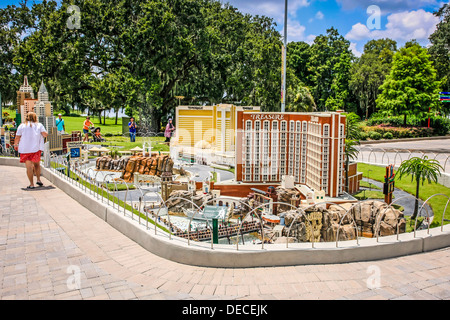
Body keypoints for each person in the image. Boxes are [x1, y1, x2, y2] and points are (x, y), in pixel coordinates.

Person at [13, 112, 48, 189]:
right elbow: (45, 134)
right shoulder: (39, 125)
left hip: (25, 150)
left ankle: (31, 184)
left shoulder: (22, 126)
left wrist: (16, 145)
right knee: (37, 165)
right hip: (36, 149)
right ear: (35, 118)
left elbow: (17, 137)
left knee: (28, 167)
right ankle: (38, 179)